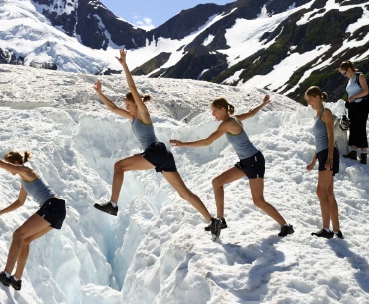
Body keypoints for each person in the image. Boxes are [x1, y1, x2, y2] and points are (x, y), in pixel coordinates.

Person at [93, 49, 220, 239]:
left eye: (128, 103)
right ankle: (212, 221)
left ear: (136, 104)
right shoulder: (132, 116)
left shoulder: (143, 114)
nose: (126, 106)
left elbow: (133, 89)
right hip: (162, 155)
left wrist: (125, 66)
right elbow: (113, 108)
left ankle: (113, 205)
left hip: (155, 151)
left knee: (119, 166)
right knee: (183, 193)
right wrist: (100, 93)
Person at [169, 95, 294, 237]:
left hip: (254, 162)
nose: (213, 114)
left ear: (223, 109)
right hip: (246, 162)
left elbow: (207, 142)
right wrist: (263, 104)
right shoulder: (234, 119)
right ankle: (221, 220)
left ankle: (286, 226)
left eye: (214, 111)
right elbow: (252, 113)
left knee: (258, 201)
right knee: (217, 182)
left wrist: (183, 144)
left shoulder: (227, 123)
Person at [0, 139, 67, 290]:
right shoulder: (25, 180)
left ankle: (6, 275)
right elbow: (20, 202)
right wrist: (0, 212)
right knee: (24, 240)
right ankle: (16, 279)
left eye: (9, 166)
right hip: (58, 210)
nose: (9, 170)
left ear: (15, 163)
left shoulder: (26, 171)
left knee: (18, 235)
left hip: (52, 206)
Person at [304, 86, 343, 239]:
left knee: (320, 192)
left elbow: (331, 136)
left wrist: (330, 157)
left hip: (328, 154)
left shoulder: (326, 113)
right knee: (328, 193)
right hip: (323, 154)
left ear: (318, 97)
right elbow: (319, 141)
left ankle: (326, 230)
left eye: (310, 100)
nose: (309, 103)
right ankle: (336, 230)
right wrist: (314, 160)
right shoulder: (317, 116)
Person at [338, 60, 369, 164]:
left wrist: (354, 97)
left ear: (349, 69)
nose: (344, 75)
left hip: (362, 106)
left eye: (344, 73)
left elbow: (366, 91)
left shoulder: (359, 76)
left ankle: (363, 154)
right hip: (353, 106)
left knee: (361, 127)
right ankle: (353, 151)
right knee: (353, 127)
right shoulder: (350, 79)